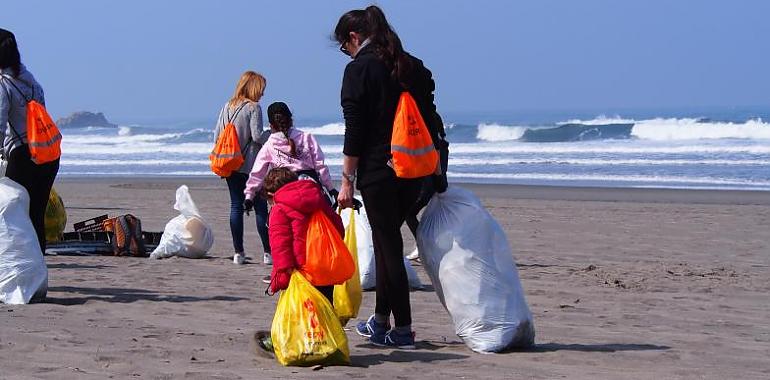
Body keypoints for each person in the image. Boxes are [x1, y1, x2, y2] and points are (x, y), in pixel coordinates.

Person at [333, 6, 448, 349]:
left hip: (379, 170)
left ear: (354, 38)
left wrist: (346, 180)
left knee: (389, 247)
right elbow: (430, 110)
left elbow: (354, 131)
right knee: (386, 246)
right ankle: (381, 321)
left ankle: (403, 331)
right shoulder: (409, 64)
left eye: (344, 46)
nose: (346, 53)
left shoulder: (360, 70)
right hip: (415, 171)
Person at [0, 29, 59, 255]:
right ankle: (38, 273)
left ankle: (23, 272)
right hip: (48, 154)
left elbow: (0, 121)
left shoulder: (3, 83)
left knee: (15, 214)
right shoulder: (32, 81)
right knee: (36, 214)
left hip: (23, 154)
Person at [212, 71, 271, 265]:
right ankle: (267, 253)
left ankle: (238, 252)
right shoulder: (254, 108)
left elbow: (217, 137)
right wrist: (274, 133)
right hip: (251, 165)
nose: (262, 93)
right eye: (261, 89)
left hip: (231, 163)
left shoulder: (227, 106)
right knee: (261, 207)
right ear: (254, 87)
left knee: (236, 205)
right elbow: (257, 136)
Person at [261, 167, 344, 301]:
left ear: (272, 194)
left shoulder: (279, 209)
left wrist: (283, 275)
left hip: (300, 270)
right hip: (325, 265)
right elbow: (338, 227)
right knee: (326, 306)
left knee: (305, 313)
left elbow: (280, 245)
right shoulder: (318, 200)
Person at [243, 101, 338, 208]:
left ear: (271, 125)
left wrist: (249, 197)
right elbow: (320, 166)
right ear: (291, 119)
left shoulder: (269, 145)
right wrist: (330, 189)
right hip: (310, 187)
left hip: (284, 190)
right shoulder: (306, 137)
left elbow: (257, 173)